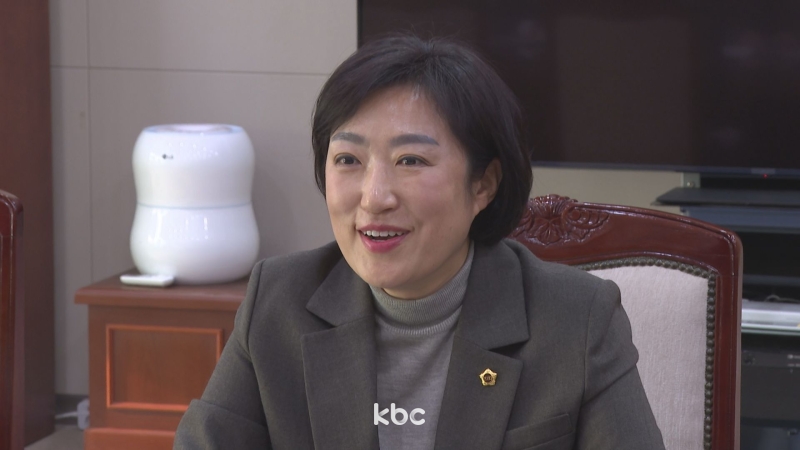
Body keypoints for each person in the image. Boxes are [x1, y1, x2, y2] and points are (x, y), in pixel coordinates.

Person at [174, 35, 665, 450]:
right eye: (348, 160)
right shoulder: (278, 302)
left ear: (483, 185)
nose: (375, 197)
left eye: (411, 161)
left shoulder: (576, 319)